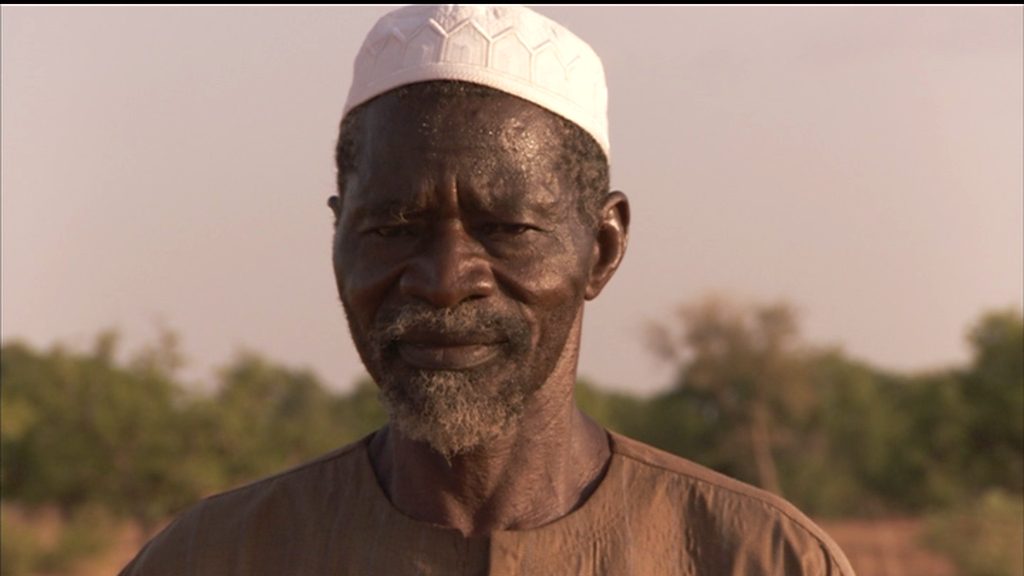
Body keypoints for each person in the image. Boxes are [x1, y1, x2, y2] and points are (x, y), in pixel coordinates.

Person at [121, 5, 855, 575]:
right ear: (338, 238)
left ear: (602, 248)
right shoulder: (214, 558)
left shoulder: (759, 557)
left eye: (505, 228)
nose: (444, 283)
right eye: (393, 229)